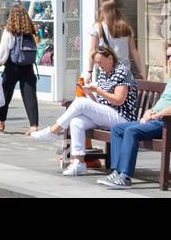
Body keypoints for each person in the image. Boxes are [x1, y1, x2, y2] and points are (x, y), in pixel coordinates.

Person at [99, 39, 171, 190]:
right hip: (161, 121)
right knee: (118, 129)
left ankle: (125, 176)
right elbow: (164, 103)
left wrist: (155, 115)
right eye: (168, 57)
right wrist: (149, 112)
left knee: (131, 131)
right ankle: (116, 172)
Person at [33, 46, 140, 176]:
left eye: (100, 62)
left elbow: (118, 100)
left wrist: (97, 90)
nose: (98, 65)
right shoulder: (103, 72)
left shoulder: (122, 71)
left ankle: (52, 131)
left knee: (80, 102)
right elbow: (99, 103)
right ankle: (79, 163)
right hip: (107, 115)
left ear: (110, 58)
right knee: (76, 121)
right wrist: (89, 93)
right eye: (96, 62)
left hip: (122, 118)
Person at [0, 4, 39, 134]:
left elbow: (4, 49)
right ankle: (33, 125)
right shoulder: (29, 31)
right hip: (28, 65)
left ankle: (0, 121)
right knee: (30, 95)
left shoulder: (10, 30)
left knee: (6, 93)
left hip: (13, 65)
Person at [88, 0, 143, 82]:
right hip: (124, 70)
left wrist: (90, 71)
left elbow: (92, 50)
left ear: (103, 10)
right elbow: (133, 51)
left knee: (106, 94)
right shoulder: (126, 28)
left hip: (105, 70)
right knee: (123, 94)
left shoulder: (97, 27)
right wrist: (141, 71)